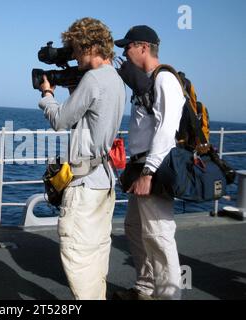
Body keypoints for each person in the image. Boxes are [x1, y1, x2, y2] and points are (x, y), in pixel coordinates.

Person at [38, 17, 125, 300]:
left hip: (86, 184)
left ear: (89, 47)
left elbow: (61, 120)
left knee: (77, 254)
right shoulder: (114, 79)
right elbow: (91, 117)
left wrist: (47, 93)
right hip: (104, 179)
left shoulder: (93, 78)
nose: (73, 56)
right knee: (97, 250)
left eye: (75, 49)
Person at [113, 26, 185, 300]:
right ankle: (145, 289)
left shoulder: (164, 79)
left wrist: (148, 172)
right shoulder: (145, 80)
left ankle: (169, 297)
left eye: (127, 46)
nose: (124, 52)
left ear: (143, 47)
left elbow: (166, 131)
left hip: (154, 168)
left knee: (159, 236)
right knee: (135, 229)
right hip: (140, 166)